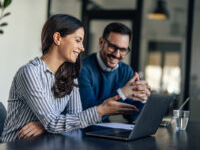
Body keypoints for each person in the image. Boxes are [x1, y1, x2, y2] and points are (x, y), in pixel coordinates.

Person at [0, 14, 139, 142]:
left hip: (46, 143)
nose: (82, 48)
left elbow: (75, 118)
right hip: (16, 145)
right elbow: (53, 123)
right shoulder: (30, 73)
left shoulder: (69, 74)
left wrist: (45, 125)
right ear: (58, 38)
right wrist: (100, 110)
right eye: (78, 41)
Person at [78, 22, 151, 122]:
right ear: (101, 42)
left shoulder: (126, 71)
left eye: (123, 50)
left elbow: (131, 116)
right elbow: (86, 114)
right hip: (82, 131)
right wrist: (122, 93)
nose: (117, 54)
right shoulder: (82, 69)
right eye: (112, 47)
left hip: (105, 130)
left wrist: (142, 98)